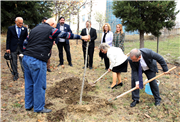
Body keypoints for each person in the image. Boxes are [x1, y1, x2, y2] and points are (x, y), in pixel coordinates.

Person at [22, 18, 89, 113]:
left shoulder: (34, 29)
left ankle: (28, 105)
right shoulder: (51, 29)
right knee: (39, 84)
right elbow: (66, 35)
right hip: (37, 60)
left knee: (29, 83)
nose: (56, 27)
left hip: (26, 58)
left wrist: (27, 53)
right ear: (53, 24)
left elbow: (25, 43)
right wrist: (82, 37)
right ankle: (38, 108)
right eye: (55, 25)